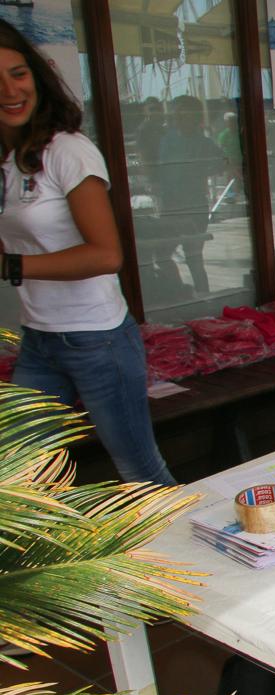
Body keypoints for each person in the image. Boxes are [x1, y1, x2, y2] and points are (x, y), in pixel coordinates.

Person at [0, 19, 176, 486]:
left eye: (18, 74)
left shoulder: (68, 150)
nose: (9, 89)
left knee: (139, 472)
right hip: (39, 338)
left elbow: (105, 255)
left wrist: (11, 265)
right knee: (17, 472)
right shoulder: (6, 161)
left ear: (36, 77)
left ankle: (195, 558)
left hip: (96, 340)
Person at [155, 94, 224, 296]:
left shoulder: (203, 143)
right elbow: (162, 170)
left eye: (182, 113)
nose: (177, 117)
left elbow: (222, 161)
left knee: (194, 257)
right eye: (176, 113)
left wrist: (201, 170)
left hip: (194, 206)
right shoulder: (168, 140)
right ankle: (179, 292)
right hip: (171, 206)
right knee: (162, 255)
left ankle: (204, 298)